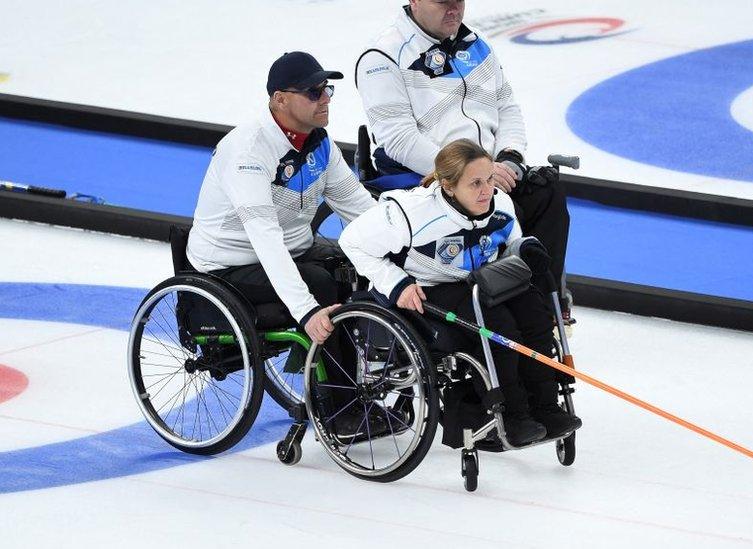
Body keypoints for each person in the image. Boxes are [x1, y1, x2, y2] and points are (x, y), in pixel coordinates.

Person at [185, 51, 383, 436]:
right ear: (280, 99)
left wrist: (411, 245)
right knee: (319, 285)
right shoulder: (248, 152)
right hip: (229, 263)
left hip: (294, 246)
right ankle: (340, 409)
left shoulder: (319, 143)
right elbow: (265, 241)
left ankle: (357, 378)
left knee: (353, 265)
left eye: (327, 89)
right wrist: (307, 312)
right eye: (313, 91)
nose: (325, 97)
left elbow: (361, 208)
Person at [339, 139, 581, 446]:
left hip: (484, 280)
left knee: (536, 316)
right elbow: (351, 242)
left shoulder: (501, 205)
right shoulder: (412, 213)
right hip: (430, 286)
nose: (486, 190)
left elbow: (507, 248)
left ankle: (545, 407)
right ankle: (514, 415)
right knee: (499, 327)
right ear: (449, 187)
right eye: (476, 183)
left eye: (490, 179)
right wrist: (397, 283)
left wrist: (524, 248)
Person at [355, 0, 574, 321]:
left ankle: (541, 307)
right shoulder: (382, 56)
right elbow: (399, 141)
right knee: (494, 205)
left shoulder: (477, 45)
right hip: (429, 177)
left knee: (546, 192)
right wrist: (471, 173)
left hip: (488, 170)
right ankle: (498, 306)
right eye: (442, 2)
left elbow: (507, 106)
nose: (454, 9)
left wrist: (510, 157)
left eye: (458, 1)